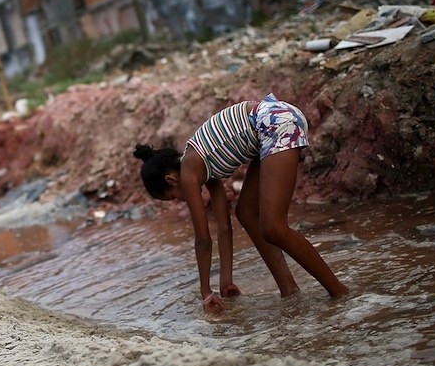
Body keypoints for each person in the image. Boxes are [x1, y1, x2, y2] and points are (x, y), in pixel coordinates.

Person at [133, 92, 348, 314]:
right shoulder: (203, 167)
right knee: (245, 212)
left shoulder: (189, 171)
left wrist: (205, 292)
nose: (179, 200)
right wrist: (225, 281)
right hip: (268, 128)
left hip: (275, 122)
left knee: (274, 227)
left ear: (171, 179)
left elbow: (203, 239)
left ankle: (339, 293)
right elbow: (224, 228)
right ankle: (289, 291)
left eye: (172, 197)